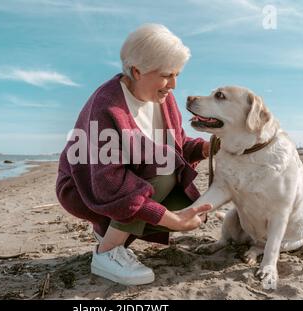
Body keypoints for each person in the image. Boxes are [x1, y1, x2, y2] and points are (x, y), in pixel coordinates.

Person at [56, 24, 212, 286]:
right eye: (167, 75)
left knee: (189, 208)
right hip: (87, 188)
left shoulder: (163, 98)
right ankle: (106, 253)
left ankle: (109, 229)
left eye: (177, 75)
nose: (173, 85)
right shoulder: (106, 106)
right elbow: (109, 182)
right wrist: (169, 219)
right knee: (163, 168)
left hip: (134, 183)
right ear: (137, 71)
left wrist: (207, 148)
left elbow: (177, 143)